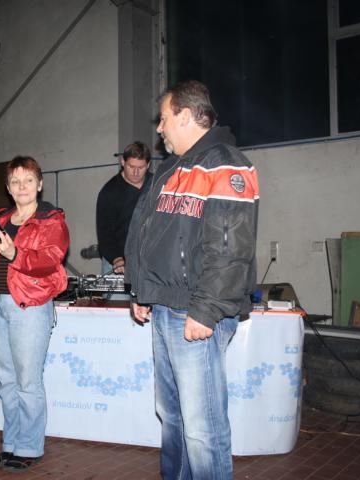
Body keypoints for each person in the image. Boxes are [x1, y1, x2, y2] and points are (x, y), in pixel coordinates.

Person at [125, 80, 259, 479]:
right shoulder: (171, 169)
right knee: (172, 415)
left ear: (185, 116)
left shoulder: (225, 164)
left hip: (195, 311)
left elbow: (230, 248)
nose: (159, 128)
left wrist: (206, 309)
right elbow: (151, 236)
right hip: (166, 306)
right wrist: (142, 290)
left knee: (202, 429)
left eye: (164, 118)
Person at [0, 156, 69, 472]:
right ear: (8, 188)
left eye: (28, 180)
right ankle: (11, 442)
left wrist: (14, 253)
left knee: (27, 381)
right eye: (15, 181)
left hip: (29, 305)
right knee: (6, 380)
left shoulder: (51, 220)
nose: (22, 186)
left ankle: (29, 446)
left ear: (40, 184)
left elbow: (50, 259)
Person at [96, 141, 152, 275]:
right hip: (117, 261)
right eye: (131, 166)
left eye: (141, 167)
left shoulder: (156, 184)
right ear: (122, 162)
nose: (136, 172)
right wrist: (117, 258)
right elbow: (105, 233)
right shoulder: (109, 192)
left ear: (148, 165)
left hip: (149, 261)